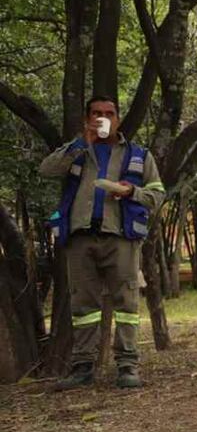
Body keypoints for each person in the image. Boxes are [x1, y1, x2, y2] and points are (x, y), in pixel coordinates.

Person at [39, 95, 166, 391]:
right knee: (82, 304)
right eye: (96, 113)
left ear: (118, 119)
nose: (102, 118)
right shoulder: (77, 151)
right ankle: (83, 367)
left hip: (121, 238)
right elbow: (46, 170)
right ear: (87, 119)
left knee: (127, 302)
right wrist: (81, 142)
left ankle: (127, 366)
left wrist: (132, 192)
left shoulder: (138, 154)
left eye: (109, 113)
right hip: (80, 238)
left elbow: (158, 194)